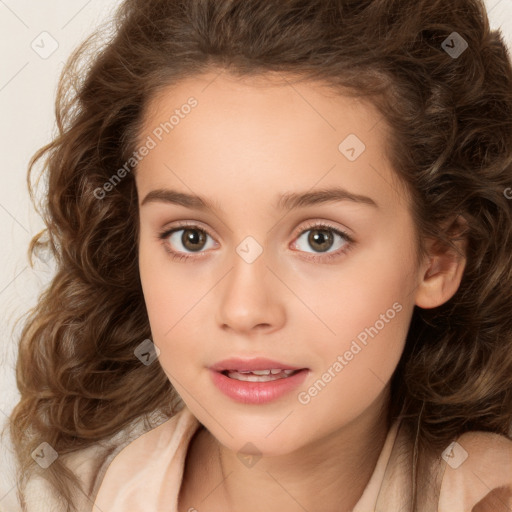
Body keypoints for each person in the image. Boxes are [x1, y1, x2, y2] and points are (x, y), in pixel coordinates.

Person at [5, 0, 512, 510]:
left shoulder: (487, 495)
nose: (244, 310)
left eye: (320, 238)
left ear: (438, 258)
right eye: (191, 237)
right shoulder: (56, 495)